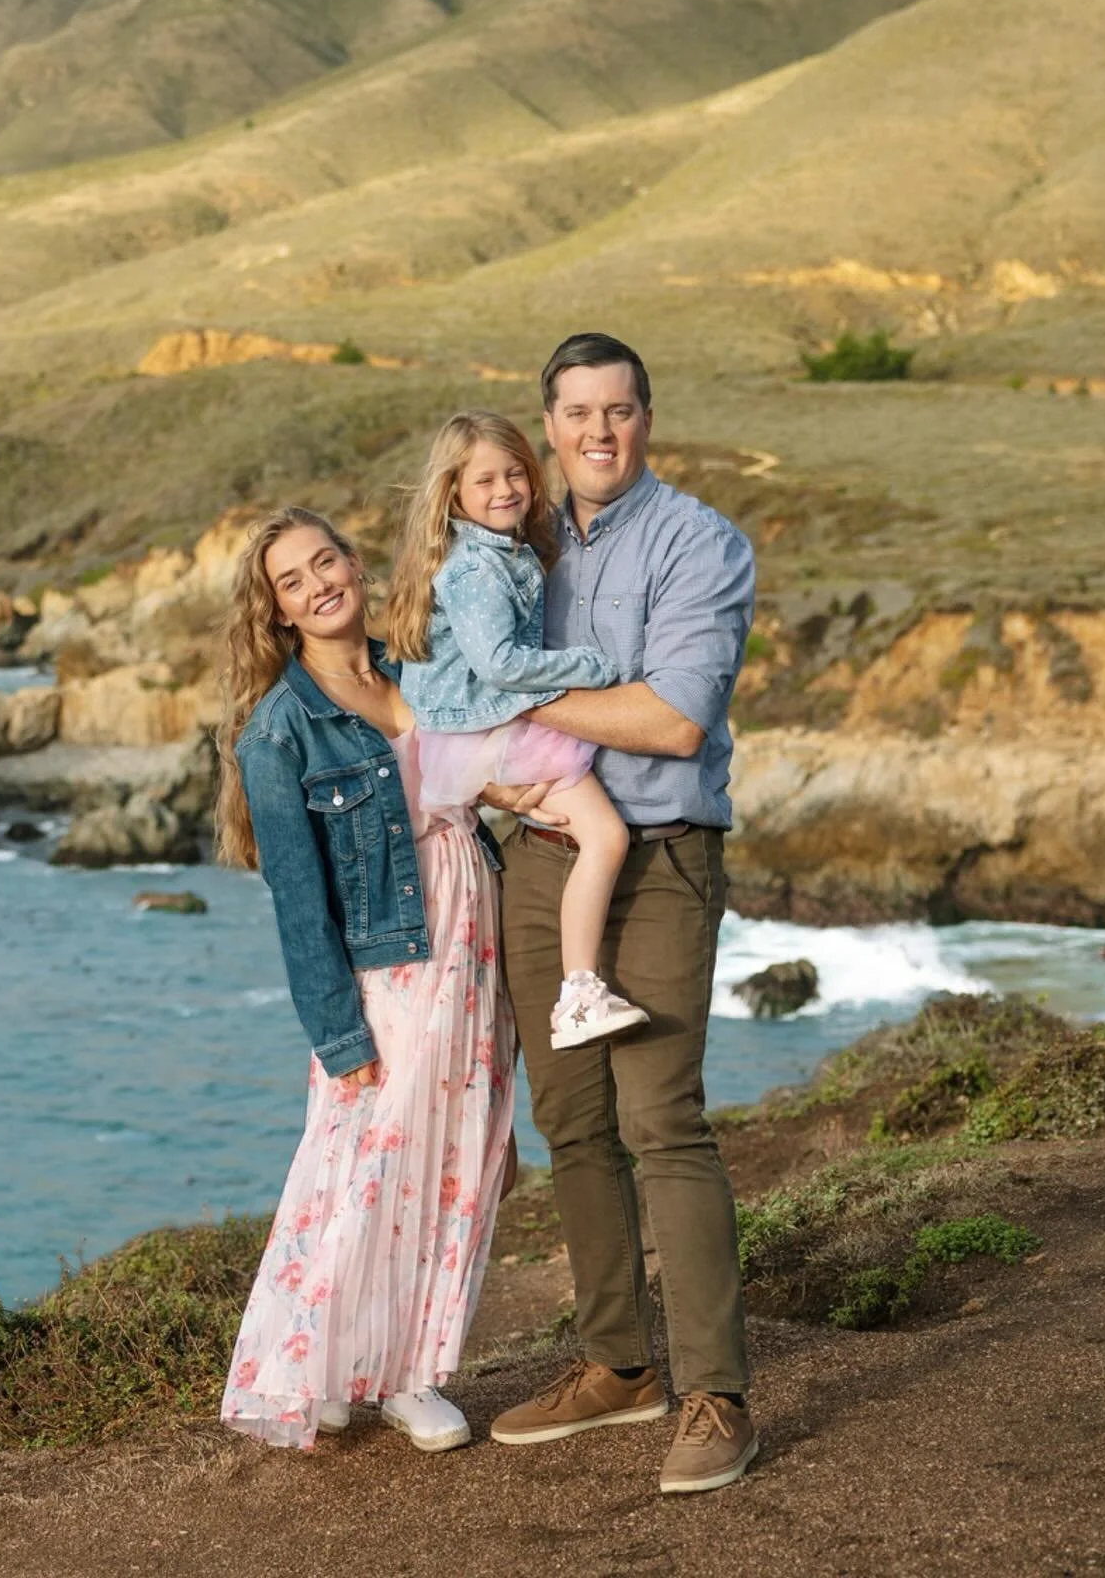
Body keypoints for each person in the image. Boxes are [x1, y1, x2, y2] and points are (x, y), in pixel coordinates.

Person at [484, 332, 760, 1496]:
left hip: (658, 861)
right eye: (578, 412)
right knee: (572, 1124)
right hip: (539, 861)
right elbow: (465, 678)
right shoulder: (519, 546)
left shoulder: (701, 543)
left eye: (620, 411)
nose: (599, 432)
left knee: (661, 1119)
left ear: (648, 420)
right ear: (547, 425)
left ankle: (716, 1395)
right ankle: (615, 1365)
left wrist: (528, 701)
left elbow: (675, 721)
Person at [216, 506, 515, 1454]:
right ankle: (339, 1365)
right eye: (292, 582)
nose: (318, 585)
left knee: (460, 1161)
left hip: (474, 935)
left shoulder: (417, 663)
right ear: (277, 613)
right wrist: (338, 1036)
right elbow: (298, 907)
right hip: (388, 967)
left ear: (353, 562)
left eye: (325, 561)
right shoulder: (278, 734)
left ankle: (408, 1367)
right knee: (365, 1167)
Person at [384, 410, 649, 1051]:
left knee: (591, 835)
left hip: (482, 725)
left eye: (515, 475)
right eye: (485, 482)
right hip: (486, 729)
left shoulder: (500, 552)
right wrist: (591, 666)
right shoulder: (475, 571)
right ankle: (579, 994)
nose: (504, 491)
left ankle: (578, 985)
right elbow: (499, 664)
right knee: (607, 836)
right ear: (454, 493)